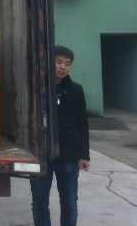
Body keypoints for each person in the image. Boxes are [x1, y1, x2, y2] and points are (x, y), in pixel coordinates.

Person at [30, 46, 90, 226]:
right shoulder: (37, 87)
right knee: (39, 205)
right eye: (59, 62)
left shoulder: (76, 90)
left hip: (69, 158)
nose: (63, 67)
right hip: (41, 157)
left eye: (67, 64)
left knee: (69, 204)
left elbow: (83, 124)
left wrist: (84, 155)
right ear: (49, 62)